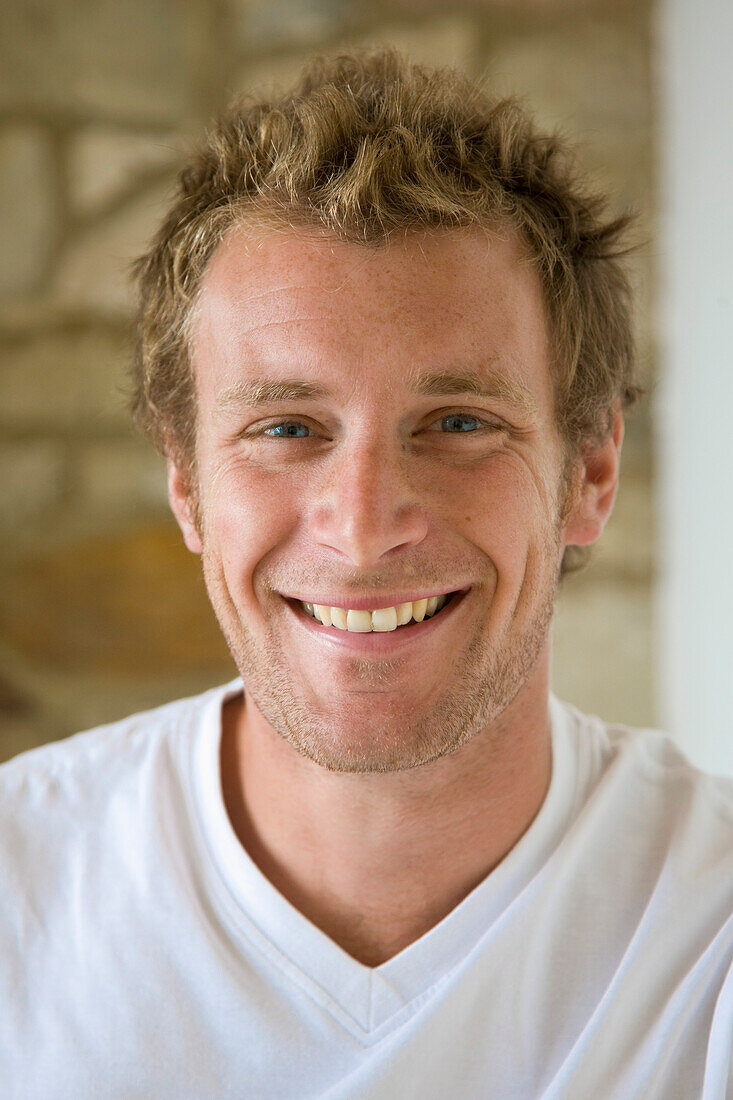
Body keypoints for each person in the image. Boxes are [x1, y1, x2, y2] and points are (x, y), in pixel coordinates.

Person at [1, 48, 731, 1100]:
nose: (361, 526)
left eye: (459, 422)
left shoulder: (707, 933)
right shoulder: (19, 891)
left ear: (591, 471)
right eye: (287, 426)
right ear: (187, 483)